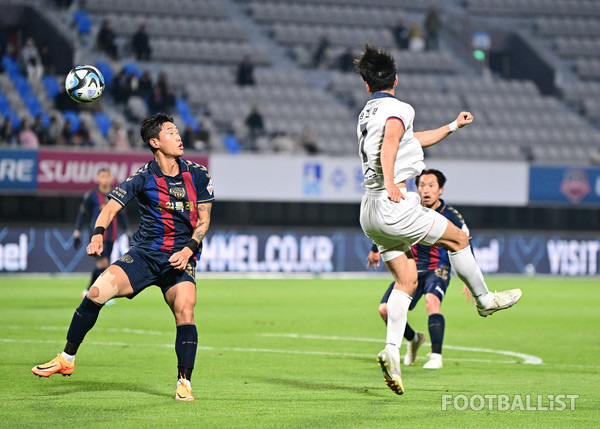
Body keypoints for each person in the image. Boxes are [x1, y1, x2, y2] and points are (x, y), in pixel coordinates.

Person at [354, 45, 522, 395]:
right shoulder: (399, 109)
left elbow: (408, 141)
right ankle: (484, 300)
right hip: (393, 199)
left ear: (367, 84)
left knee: (406, 281)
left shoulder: (366, 112)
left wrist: (451, 126)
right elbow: (390, 145)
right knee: (459, 239)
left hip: (369, 210)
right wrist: (390, 182)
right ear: (395, 79)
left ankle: (391, 350)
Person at [32, 113, 215, 402]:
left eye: (177, 131)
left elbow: (204, 221)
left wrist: (189, 248)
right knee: (96, 292)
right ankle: (67, 358)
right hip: (144, 256)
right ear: (155, 142)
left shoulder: (198, 174)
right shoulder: (142, 177)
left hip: (180, 259)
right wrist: (96, 234)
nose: (178, 136)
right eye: (171, 132)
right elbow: (109, 208)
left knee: (185, 311)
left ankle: (184, 384)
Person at [367, 169, 469, 370]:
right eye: (422, 185)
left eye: (431, 186)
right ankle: (414, 339)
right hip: (410, 267)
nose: (426, 190)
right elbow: (388, 224)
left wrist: (469, 277)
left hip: (437, 268)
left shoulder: (451, 215)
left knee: (432, 302)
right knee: (384, 310)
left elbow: (464, 242)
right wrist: (374, 249)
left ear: (440, 190)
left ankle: (436, 356)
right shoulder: (408, 207)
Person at [72, 167, 130, 296]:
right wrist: (77, 232)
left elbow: (122, 216)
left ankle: (93, 292)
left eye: (107, 176)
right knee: (102, 263)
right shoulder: (92, 195)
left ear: (111, 178)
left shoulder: (117, 195)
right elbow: (82, 214)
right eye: (102, 176)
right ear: (98, 179)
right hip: (97, 236)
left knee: (105, 265)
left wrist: (127, 231)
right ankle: (93, 292)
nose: (105, 179)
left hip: (112, 236)